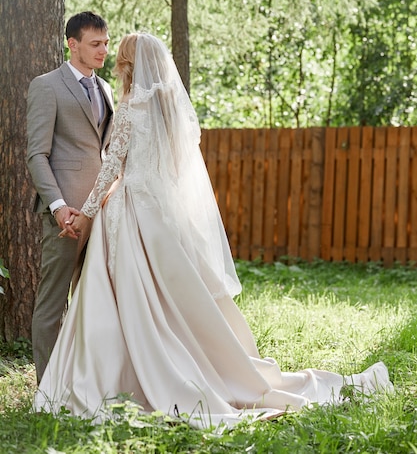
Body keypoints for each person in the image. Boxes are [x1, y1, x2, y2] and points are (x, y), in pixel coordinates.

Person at [34, 32, 392, 428]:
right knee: (171, 300)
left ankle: (120, 373)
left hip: (129, 209)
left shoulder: (131, 107)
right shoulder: (170, 108)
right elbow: (173, 169)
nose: (114, 62)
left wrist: (85, 212)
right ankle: (186, 363)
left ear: (128, 66)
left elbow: (109, 171)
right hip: (159, 216)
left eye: (118, 57)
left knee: (123, 297)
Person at [27, 11, 114, 384]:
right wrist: (59, 207)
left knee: (93, 300)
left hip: (103, 212)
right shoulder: (47, 86)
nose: (103, 51)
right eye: (95, 44)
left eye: (106, 43)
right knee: (53, 304)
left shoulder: (107, 89)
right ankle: (48, 388)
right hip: (66, 216)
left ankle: (84, 381)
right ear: (72, 44)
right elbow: (36, 155)